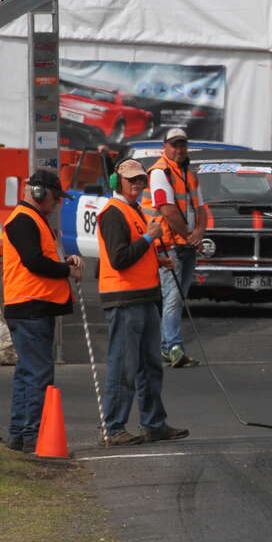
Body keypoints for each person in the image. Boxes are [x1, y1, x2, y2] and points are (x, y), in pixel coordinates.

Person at [98, 159, 189, 446]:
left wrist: (154, 258)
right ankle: (114, 428)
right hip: (124, 299)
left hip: (145, 296)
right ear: (117, 182)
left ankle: (154, 423)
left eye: (140, 180)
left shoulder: (133, 210)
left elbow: (134, 253)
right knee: (123, 366)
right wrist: (151, 237)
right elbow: (119, 258)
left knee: (150, 366)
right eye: (132, 180)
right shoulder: (113, 213)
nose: (138, 184)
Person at [3, 170, 82, 453]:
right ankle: (32, 435)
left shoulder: (33, 220)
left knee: (28, 372)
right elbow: (34, 262)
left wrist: (64, 261)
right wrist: (67, 270)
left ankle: (20, 434)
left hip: (31, 305)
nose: (57, 203)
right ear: (40, 192)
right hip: (29, 306)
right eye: (55, 197)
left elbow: (42, 258)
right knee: (38, 374)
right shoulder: (24, 220)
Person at [140, 128, 205, 368]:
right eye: (174, 145)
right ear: (165, 147)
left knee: (177, 296)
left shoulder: (189, 172)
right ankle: (173, 347)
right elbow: (167, 210)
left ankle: (167, 347)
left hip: (185, 243)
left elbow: (201, 208)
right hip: (168, 245)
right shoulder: (160, 172)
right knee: (173, 297)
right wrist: (190, 235)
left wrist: (199, 232)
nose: (179, 150)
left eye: (182, 145)